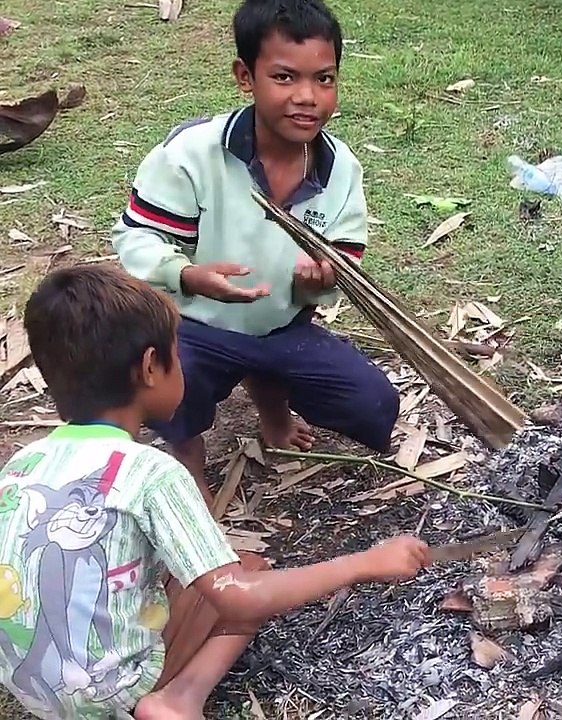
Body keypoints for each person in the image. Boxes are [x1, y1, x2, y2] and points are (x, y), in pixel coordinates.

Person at [0, 265, 432, 720]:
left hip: (30, 686)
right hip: (108, 693)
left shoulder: (23, 464)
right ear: (151, 367)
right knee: (251, 574)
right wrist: (365, 563)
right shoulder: (150, 473)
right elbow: (238, 595)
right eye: (177, 353)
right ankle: (178, 699)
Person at [111, 0, 397, 506]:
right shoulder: (193, 153)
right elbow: (138, 238)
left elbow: (345, 257)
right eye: (284, 77)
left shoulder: (339, 168)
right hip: (194, 325)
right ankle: (188, 459)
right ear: (245, 76)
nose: (307, 97)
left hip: (282, 325)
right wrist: (187, 275)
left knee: (373, 404)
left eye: (324, 79)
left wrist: (318, 283)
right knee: (169, 388)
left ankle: (271, 406)